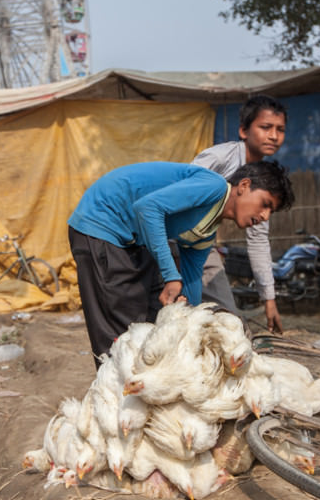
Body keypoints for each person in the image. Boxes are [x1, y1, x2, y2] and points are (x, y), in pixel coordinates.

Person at [68, 160, 293, 360]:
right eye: (265, 204)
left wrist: (195, 323)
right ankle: (114, 400)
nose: (264, 216)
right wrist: (171, 276)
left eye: (270, 212)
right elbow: (147, 208)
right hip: (101, 223)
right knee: (119, 335)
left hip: (130, 240)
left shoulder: (207, 231)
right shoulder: (213, 187)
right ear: (244, 186)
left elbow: (193, 277)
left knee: (149, 323)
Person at [192, 94, 288, 333]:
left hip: (202, 248)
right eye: (266, 127)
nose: (274, 136)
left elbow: (257, 240)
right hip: (172, 238)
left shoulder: (263, 181)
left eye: (280, 129)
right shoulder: (218, 159)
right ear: (244, 131)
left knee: (230, 324)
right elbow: (181, 195)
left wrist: (269, 300)